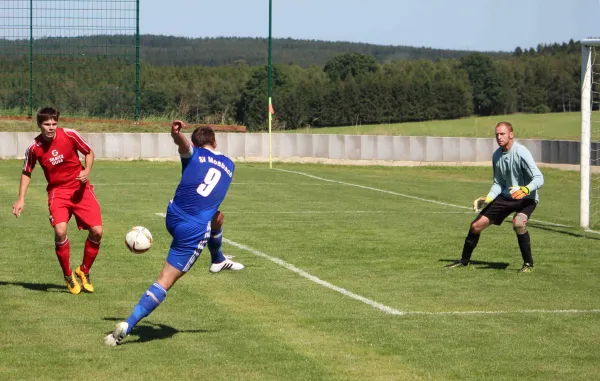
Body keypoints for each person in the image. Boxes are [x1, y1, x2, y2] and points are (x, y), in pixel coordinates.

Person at [104, 121, 243, 346]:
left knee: (218, 217)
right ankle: (127, 325)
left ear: (197, 144)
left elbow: (184, 145)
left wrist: (175, 134)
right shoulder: (229, 164)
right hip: (193, 229)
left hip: (173, 215)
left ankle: (218, 259)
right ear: (215, 142)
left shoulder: (194, 155)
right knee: (165, 280)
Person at [12, 107, 103, 294]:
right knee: (60, 231)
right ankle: (69, 276)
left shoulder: (70, 135)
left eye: (54, 123)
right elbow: (26, 172)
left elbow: (89, 152)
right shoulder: (34, 147)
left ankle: (84, 271)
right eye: (47, 124)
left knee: (97, 231)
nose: (51, 127)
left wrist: (87, 170)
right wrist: (21, 199)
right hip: (57, 192)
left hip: (80, 189)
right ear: (39, 125)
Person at [446, 121, 544, 272]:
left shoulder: (521, 152)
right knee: (476, 226)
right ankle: (464, 261)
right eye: (497, 134)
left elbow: (539, 178)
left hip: (526, 198)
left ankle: (528, 264)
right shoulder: (496, 155)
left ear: (511, 135)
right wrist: (489, 198)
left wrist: (526, 189)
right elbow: (498, 183)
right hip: (506, 197)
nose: (499, 137)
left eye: (502, 134)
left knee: (518, 223)